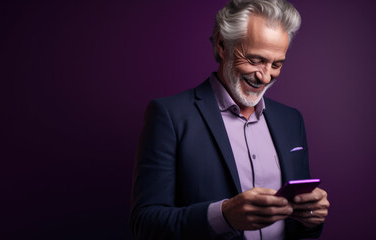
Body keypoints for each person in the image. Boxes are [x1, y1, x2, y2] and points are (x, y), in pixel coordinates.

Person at [130, 0, 329, 239]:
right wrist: (223, 216)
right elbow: (144, 225)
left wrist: (310, 218)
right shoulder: (169, 116)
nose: (265, 76)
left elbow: (299, 223)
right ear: (223, 45)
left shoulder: (291, 120)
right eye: (255, 60)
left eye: (276, 64)